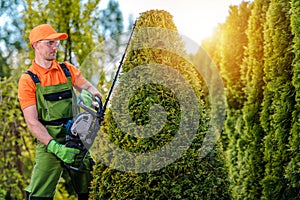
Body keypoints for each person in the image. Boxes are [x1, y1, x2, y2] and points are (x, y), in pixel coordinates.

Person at [18, 24, 102, 200]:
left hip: (77, 138)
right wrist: (55, 147)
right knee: (39, 195)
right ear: (36, 45)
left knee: (92, 189)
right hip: (49, 141)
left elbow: (87, 87)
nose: (55, 47)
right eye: (50, 43)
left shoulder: (67, 69)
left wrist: (93, 97)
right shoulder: (28, 80)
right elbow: (32, 122)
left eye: (56, 43)